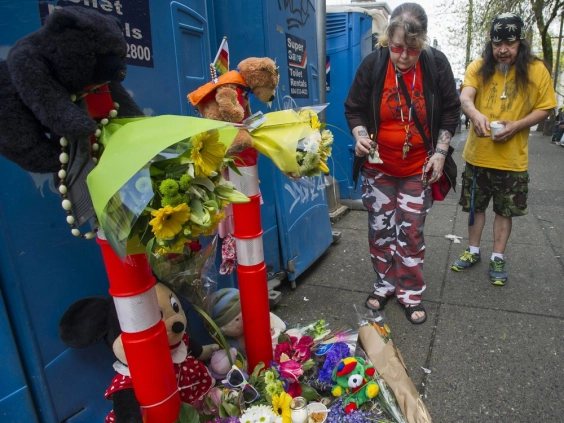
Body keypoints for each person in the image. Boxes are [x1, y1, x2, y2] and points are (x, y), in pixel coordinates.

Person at [344, 3, 460, 324]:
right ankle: (384, 284)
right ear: (387, 41)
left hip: (417, 169)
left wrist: (440, 151)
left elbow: (451, 110)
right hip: (378, 168)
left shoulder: (436, 65)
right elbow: (353, 108)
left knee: (411, 232)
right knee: (379, 230)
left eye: (412, 48)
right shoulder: (374, 64)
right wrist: (360, 134)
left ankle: (409, 291)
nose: (404, 56)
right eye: (397, 48)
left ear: (422, 42)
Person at [451, 12, 557, 285]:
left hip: (513, 160)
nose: (503, 50)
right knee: (475, 207)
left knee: (505, 210)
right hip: (478, 155)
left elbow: (546, 107)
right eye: (497, 44)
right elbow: (466, 96)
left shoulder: (536, 70)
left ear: (520, 42)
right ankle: (473, 251)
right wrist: (475, 115)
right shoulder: (478, 65)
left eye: (510, 43)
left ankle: (498, 256)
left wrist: (518, 125)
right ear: (491, 42)